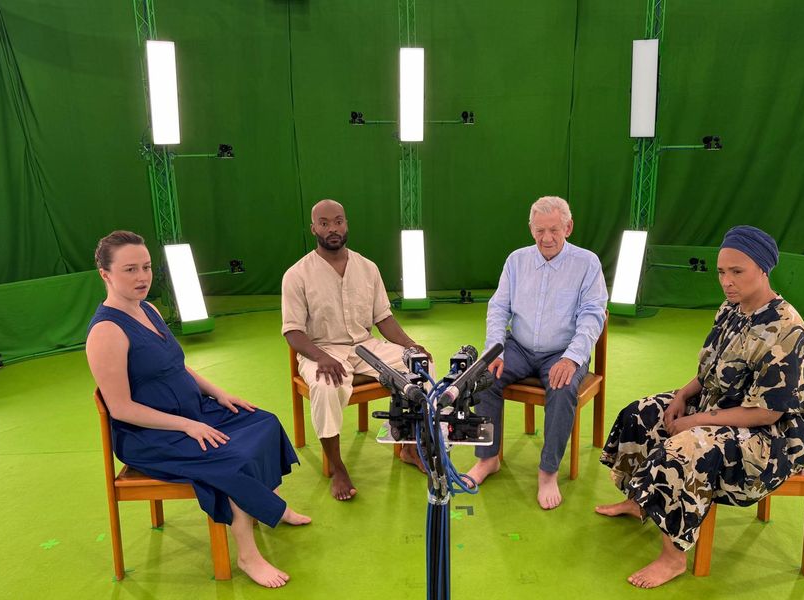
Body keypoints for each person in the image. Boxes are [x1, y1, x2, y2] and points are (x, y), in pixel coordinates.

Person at [86, 231, 309, 589]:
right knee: (229, 458)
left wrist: (220, 394)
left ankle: (269, 503)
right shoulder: (106, 331)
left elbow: (177, 367)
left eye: (145, 267)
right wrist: (186, 426)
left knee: (262, 421)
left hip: (194, 411)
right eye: (129, 269)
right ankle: (248, 554)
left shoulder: (150, 309)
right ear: (105, 274)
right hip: (152, 436)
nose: (142, 277)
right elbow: (121, 408)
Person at [596, 225, 804, 589]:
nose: (726, 281)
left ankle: (673, 557)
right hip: (722, 405)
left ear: (763, 269)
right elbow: (710, 369)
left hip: (769, 437)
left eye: (737, 271)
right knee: (641, 413)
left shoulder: (787, 328)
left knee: (686, 447)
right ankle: (641, 500)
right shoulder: (731, 309)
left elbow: (767, 411)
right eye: (721, 272)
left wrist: (696, 419)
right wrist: (682, 396)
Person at [282, 199, 431, 501]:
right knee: (326, 387)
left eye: (338, 221)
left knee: (419, 367)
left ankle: (410, 448)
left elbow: (383, 318)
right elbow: (293, 331)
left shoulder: (367, 268)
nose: (332, 228)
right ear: (314, 229)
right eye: (324, 223)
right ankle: (338, 468)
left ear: (346, 223)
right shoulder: (297, 275)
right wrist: (321, 357)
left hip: (365, 346)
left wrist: (409, 344)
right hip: (321, 350)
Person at [465, 196, 608, 509]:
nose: (547, 238)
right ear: (531, 229)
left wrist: (572, 357)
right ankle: (488, 459)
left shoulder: (587, 263)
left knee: (562, 386)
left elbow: (593, 314)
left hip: (563, 350)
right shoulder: (516, 260)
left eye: (554, 230)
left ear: (568, 227)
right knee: (484, 377)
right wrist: (494, 351)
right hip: (519, 345)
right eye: (540, 230)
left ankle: (548, 471)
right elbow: (499, 306)